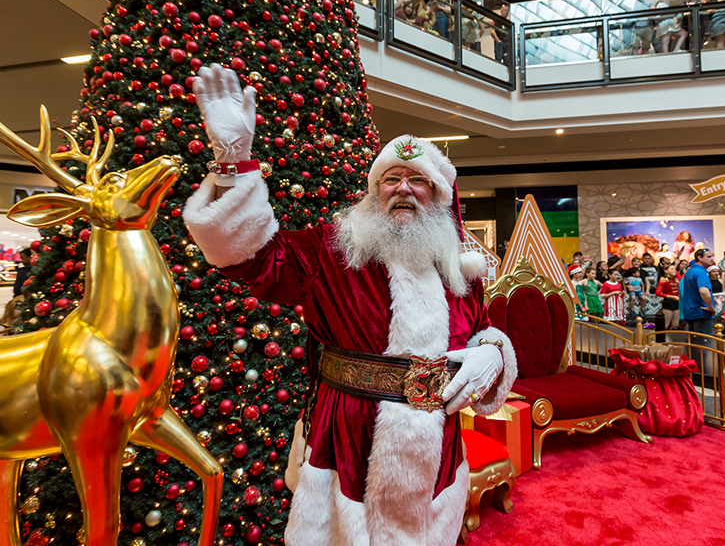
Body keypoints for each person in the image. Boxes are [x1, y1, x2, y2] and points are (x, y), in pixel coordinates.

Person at [182, 64, 517, 545]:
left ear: (439, 196)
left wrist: (493, 355)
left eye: (417, 179)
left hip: (437, 456)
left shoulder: (457, 270)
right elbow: (251, 257)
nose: (402, 188)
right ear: (374, 190)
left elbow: (484, 329)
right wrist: (233, 160)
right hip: (348, 449)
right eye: (391, 178)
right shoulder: (331, 251)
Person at [682, 248, 716, 371]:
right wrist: (711, 307)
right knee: (703, 346)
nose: (712, 259)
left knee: (694, 345)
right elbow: (703, 290)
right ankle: (703, 373)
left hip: (690, 311)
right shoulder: (701, 272)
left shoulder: (689, 271)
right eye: (709, 256)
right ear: (700, 258)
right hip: (702, 313)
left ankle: (694, 371)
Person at [656, 263, 680, 332]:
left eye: (675, 269)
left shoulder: (677, 280)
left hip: (677, 302)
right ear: (666, 271)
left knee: (675, 325)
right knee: (665, 325)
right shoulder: (664, 280)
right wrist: (671, 296)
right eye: (672, 269)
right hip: (668, 302)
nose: (674, 271)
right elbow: (657, 292)